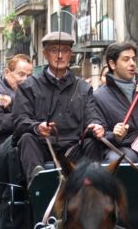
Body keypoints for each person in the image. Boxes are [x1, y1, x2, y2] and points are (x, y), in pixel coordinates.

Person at [12, 32, 95, 181]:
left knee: (93, 141)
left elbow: (92, 119)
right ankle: (38, 183)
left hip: (73, 148)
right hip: (41, 146)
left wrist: (96, 126)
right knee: (26, 138)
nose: (60, 56)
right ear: (45, 54)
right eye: (54, 50)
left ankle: (93, 187)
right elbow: (19, 120)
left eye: (65, 50)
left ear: (71, 54)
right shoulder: (28, 87)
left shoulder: (83, 88)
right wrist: (37, 127)